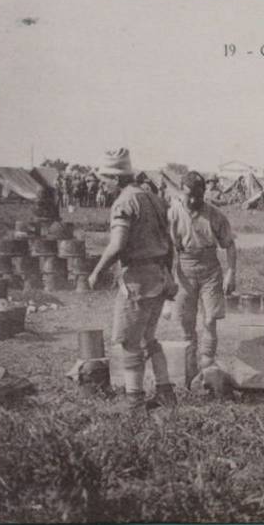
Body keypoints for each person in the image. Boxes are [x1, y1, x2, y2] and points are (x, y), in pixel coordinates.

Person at [88, 148, 176, 411]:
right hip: (159, 276)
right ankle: (165, 392)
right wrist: (168, 275)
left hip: (138, 281)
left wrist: (96, 271)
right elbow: (169, 243)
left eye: (104, 180)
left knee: (128, 342)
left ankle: (134, 400)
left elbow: (117, 245)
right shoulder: (153, 198)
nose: (102, 186)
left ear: (115, 179)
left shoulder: (124, 203)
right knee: (149, 338)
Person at [168, 170, 237, 381]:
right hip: (184, 269)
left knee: (210, 319)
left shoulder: (214, 214)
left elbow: (230, 245)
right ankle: (188, 368)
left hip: (210, 270)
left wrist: (231, 273)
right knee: (185, 321)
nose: (193, 200)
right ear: (181, 191)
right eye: (189, 195)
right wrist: (167, 277)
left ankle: (207, 365)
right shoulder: (173, 213)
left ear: (203, 193)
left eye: (198, 195)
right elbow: (166, 248)